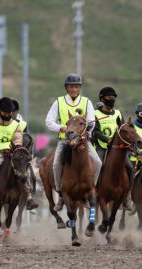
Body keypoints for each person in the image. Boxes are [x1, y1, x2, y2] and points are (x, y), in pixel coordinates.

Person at [45, 73, 102, 212]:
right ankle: (60, 194)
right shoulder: (58, 102)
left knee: (98, 162)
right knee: (56, 164)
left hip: (82, 139)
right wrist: (62, 128)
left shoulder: (87, 102)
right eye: (71, 86)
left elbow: (90, 122)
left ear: (79, 88)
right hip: (65, 140)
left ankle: (90, 189)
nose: (73, 89)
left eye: (76, 86)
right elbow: (48, 122)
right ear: (66, 88)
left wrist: (85, 132)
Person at [0, 97, 38, 210]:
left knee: (24, 172)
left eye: (10, 112)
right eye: (5, 112)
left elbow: (21, 139)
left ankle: (29, 196)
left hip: (14, 153)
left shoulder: (18, 124)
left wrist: (17, 150)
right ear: (0, 111)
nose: (8, 115)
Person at [92, 86, 134, 210]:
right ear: (102, 98)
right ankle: (93, 193)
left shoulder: (118, 113)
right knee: (97, 165)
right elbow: (95, 131)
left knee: (130, 168)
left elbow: (122, 130)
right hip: (102, 147)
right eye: (109, 97)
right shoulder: (96, 114)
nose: (111, 99)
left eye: (113, 97)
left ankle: (127, 196)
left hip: (117, 149)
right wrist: (107, 139)